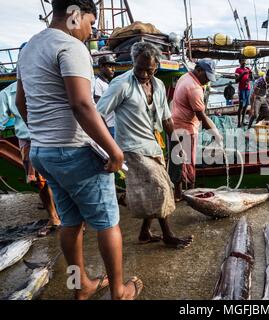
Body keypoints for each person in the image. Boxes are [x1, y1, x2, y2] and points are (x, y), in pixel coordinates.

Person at [15, 0, 142, 300]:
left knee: (71, 223)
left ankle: (80, 285)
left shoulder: (29, 48)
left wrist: (44, 132)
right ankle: (119, 293)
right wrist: (115, 151)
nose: (90, 31)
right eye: (90, 22)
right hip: (75, 153)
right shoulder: (71, 47)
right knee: (108, 223)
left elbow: (22, 103)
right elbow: (82, 104)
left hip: (43, 154)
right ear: (75, 15)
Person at [97, 42, 194, 249]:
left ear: (156, 65)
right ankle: (168, 235)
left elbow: (167, 119)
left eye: (148, 69)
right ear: (133, 63)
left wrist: (177, 143)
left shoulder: (158, 85)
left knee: (154, 187)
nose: (143, 73)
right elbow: (99, 113)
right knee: (159, 187)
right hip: (130, 147)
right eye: (139, 68)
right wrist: (109, 146)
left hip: (152, 144)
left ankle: (144, 232)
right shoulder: (121, 84)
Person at [0, 82, 61, 236]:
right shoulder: (8, 93)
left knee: (61, 175)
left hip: (52, 135)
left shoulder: (47, 82)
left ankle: (71, 216)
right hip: (27, 139)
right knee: (37, 181)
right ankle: (53, 217)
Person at [170, 59, 223, 200]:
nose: (207, 81)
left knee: (177, 162)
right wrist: (215, 133)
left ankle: (178, 193)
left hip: (175, 126)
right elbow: (202, 118)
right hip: (186, 129)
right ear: (199, 70)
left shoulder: (185, 77)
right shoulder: (194, 88)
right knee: (188, 164)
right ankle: (191, 195)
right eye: (206, 77)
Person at [94, 55, 118, 137]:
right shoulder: (97, 83)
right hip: (108, 126)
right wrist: (104, 129)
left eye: (114, 66)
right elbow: (98, 109)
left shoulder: (107, 83)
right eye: (110, 66)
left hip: (114, 124)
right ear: (101, 67)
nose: (113, 69)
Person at [235, 59, 253, 127]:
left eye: (245, 61)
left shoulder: (248, 69)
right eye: (242, 61)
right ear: (240, 62)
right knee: (241, 105)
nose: (244, 62)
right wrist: (243, 74)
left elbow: (251, 78)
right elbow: (236, 80)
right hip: (241, 89)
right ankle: (239, 123)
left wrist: (251, 75)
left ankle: (242, 121)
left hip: (247, 89)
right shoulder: (237, 70)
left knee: (246, 106)